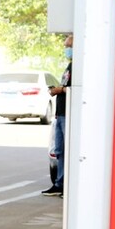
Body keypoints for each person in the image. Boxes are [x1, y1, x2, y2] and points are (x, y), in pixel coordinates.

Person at [42, 33, 74, 197]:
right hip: (60, 114)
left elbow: (77, 88)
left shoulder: (79, 66)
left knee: (69, 150)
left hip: (69, 115)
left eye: (69, 46)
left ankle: (67, 184)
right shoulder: (69, 66)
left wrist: (60, 89)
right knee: (59, 151)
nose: (67, 50)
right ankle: (59, 183)